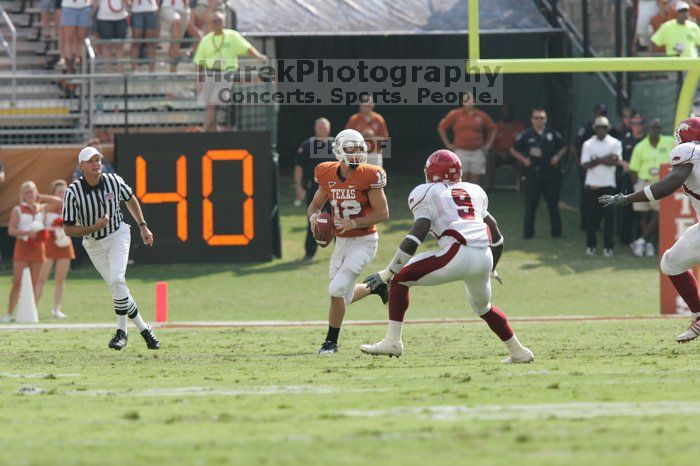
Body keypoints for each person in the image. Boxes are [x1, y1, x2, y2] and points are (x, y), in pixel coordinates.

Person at [360, 150, 533, 363]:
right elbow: (496, 236)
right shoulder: (475, 190)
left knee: (399, 279)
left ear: (430, 173)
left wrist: (386, 273)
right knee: (484, 308)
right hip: (484, 255)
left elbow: (417, 235)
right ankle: (519, 352)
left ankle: (392, 341)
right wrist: (492, 268)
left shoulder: (425, 191)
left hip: (457, 252)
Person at [600, 117, 700, 342]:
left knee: (671, 264)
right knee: (671, 262)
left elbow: (666, 186)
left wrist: (626, 198)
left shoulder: (688, 151)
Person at [62, 146, 159, 350]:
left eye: (98, 160)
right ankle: (145, 329)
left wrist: (143, 226)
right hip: (93, 243)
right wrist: (93, 227)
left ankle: (121, 333)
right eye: (91, 161)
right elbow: (69, 229)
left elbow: (130, 198)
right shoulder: (73, 192)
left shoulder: (113, 180)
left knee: (117, 280)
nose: (96, 164)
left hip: (118, 234)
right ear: (82, 166)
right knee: (118, 287)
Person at [307, 129, 390, 354]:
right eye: (350, 149)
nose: (355, 154)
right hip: (341, 243)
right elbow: (314, 206)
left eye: (359, 149)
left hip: (364, 241)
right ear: (339, 152)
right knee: (343, 294)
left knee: (336, 290)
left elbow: (382, 213)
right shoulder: (326, 173)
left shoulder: (370, 174)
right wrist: (315, 219)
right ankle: (376, 287)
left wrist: (354, 224)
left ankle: (331, 342)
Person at [193, 12, 267, 131]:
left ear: (225, 22)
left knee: (213, 103)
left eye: (219, 21)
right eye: (214, 21)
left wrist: (259, 57)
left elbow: (247, 48)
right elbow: (199, 62)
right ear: (210, 24)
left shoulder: (232, 36)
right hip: (210, 73)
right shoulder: (206, 40)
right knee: (210, 105)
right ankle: (212, 129)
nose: (217, 24)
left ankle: (204, 129)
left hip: (225, 74)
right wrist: (199, 80)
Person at [510, 108, 566, 239]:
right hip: (533, 174)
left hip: (550, 174)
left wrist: (557, 156)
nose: (539, 120)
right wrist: (524, 159)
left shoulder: (552, 133)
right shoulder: (526, 134)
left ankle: (556, 232)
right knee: (530, 204)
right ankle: (528, 232)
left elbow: (564, 146)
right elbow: (513, 149)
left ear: (545, 120)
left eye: (541, 118)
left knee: (553, 204)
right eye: (536, 118)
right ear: (531, 120)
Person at [1, 182, 49, 323]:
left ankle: (31, 313)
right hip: (22, 246)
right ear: (22, 194)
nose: (30, 194)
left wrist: (42, 197)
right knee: (17, 282)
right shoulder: (18, 209)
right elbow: (11, 230)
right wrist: (28, 232)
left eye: (33, 191)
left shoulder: (42, 208)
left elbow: (60, 201)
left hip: (38, 247)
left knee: (35, 283)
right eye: (27, 192)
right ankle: (9, 313)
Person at [627, 119, 675, 257]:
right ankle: (647, 245)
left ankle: (641, 241)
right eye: (653, 127)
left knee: (657, 215)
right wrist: (637, 184)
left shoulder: (669, 141)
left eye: (658, 128)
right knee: (644, 216)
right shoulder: (640, 146)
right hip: (644, 181)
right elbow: (633, 169)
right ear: (648, 129)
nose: (656, 130)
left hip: (661, 184)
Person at [574, 103, 621, 231]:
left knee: (607, 206)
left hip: (607, 177)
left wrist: (597, 159)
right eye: (599, 112)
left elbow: (616, 158)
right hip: (588, 173)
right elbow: (575, 147)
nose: (601, 129)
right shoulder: (586, 129)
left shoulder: (611, 135)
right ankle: (586, 225)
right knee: (589, 203)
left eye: (603, 113)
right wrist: (583, 166)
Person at [580, 116, 622, 257]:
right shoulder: (588, 144)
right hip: (593, 185)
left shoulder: (614, 142)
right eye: (599, 127)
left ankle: (608, 247)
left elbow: (616, 161)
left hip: (608, 185)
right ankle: (590, 245)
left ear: (608, 128)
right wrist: (606, 159)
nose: (601, 130)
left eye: (603, 127)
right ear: (595, 128)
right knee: (591, 218)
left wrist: (596, 159)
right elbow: (585, 164)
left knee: (609, 218)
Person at [35, 180, 76, 319]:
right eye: (59, 192)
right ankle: (33, 308)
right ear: (54, 193)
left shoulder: (68, 206)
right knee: (41, 278)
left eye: (65, 192)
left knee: (60, 279)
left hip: (64, 243)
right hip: (48, 243)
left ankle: (57, 309)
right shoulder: (45, 207)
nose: (62, 194)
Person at [294, 117, 333, 261]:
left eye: (324, 126)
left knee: (338, 220)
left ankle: (342, 254)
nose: (322, 129)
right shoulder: (307, 145)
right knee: (313, 220)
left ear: (329, 128)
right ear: (315, 128)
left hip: (335, 190)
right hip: (315, 189)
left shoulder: (337, 145)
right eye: (320, 126)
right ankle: (309, 253)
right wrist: (298, 187)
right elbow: (298, 167)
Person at [438, 93, 496, 184]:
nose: (468, 101)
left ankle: (474, 198)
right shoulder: (455, 114)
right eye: (466, 99)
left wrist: (488, 145)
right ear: (462, 102)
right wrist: (447, 143)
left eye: (470, 99)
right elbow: (442, 127)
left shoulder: (481, 115)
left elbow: (493, 128)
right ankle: (460, 197)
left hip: (477, 151)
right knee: (460, 178)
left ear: (475, 101)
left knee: (475, 180)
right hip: (460, 150)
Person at [485, 104, 526, 192]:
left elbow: (524, 144)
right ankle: (489, 188)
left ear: (512, 112)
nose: (506, 113)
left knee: (521, 161)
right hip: (499, 154)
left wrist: (514, 153)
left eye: (508, 110)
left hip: (514, 155)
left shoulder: (519, 126)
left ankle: (523, 188)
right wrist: (500, 153)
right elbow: (490, 146)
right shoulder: (496, 126)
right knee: (490, 160)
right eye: (504, 111)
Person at [345, 95, 390, 167]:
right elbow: (346, 137)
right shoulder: (354, 119)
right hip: (358, 153)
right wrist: (361, 134)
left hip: (374, 154)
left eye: (369, 105)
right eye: (365, 105)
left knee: (376, 175)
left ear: (373, 105)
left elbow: (385, 138)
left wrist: (372, 136)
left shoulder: (378, 119)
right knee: (358, 176)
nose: (367, 107)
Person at [94, 0, 128, 73]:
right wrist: (92, 13)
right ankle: (107, 72)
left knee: (120, 45)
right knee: (106, 45)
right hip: (104, 17)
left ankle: (120, 72)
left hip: (121, 17)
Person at [60, 0, 92, 74]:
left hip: (85, 6)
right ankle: (69, 68)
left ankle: (81, 66)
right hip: (69, 7)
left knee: (81, 39)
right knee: (68, 40)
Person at [160, 0, 191, 72]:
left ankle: (173, 72)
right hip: (168, 6)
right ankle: (177, 52)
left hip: (184, 9)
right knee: (176, 21)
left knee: (175, 41)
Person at [130, 0, 159, 72]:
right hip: (136, 10)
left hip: (151, 9)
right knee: (136, 40)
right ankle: (134, 69)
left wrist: (157, 6)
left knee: (151, 42)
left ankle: (152, 70)